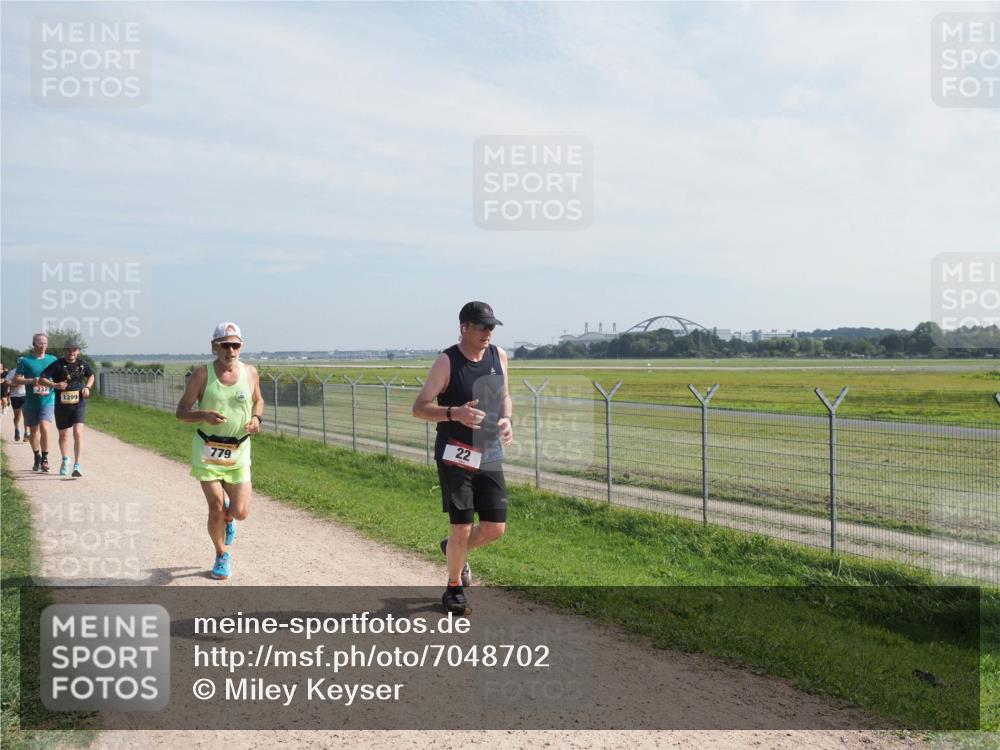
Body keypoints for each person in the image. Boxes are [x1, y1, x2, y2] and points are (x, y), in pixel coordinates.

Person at [412, 301, 513, 616]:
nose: (488, 332)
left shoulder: (499, 356)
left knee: (496, 528)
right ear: (464, 327)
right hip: (456, 452)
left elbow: (505, 396)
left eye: (491, 327)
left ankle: (452, 551)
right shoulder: (447, 362)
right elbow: (420, 407)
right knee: (462, 527)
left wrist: (507, 419)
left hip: (490, 450)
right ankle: (454, 588)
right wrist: (455, 412)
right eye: (481, 326)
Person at [176, 322, 263, 580]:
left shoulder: (250, 373)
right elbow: (181, 413)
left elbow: (258, 400)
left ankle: (230, 517)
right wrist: (203, 414)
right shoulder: (202, 375)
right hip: (208, 449)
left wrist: (257, 419)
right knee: (215, 507)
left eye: (235, 345)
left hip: (239, 449)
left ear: (241, 347)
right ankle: (221, 553)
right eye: (225, 345)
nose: (230, 350)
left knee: (240, 512)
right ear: (214, 346)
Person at [38, 340, 94, 477]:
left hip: (78, 403)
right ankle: (65, 460)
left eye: (74, 350)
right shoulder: (57, 364)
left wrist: (87, 387)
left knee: (78, 433)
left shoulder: (82, 364)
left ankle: (77, 465)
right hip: (62, 405)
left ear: (78, 351)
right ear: (64, 351)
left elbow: (91, 375)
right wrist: (55, 385)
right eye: (69, 350)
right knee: (63, 435)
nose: (71, 352)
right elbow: (42, 379)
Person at [14, 334, 57, 472]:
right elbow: (17, 380)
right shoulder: (25, 361)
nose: (43, 346)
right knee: (33, 431)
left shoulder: (52, 360)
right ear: (34, 344)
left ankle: (45, 458)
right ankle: (36, 456)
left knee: (45, 427)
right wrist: (32, 381)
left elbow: (59, 377)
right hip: (31, 402)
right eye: (40, 343)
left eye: (45, 343)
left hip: (48, 400)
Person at [5, 363, 27, 442]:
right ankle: (16, 429)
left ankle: (26, 433)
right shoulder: (12, 371)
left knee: (26, 415)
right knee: (17, 416)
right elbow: (6, 381)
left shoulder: (27, 371)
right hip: (15, 396)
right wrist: (14, 385)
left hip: (25, 395)